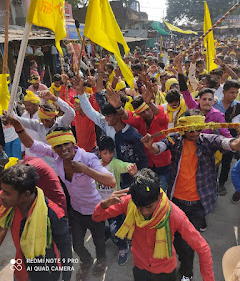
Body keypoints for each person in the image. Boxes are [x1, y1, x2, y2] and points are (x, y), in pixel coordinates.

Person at [7, 115, 115, 279]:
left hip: (95, 210)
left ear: (73, 143)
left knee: (99, 242)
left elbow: (111, 181)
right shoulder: (57, 155)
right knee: (77, 245)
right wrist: (18, 126)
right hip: (76, 211)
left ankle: (101, 261)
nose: (63, 149)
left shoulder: (88, 158)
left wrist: (84, 169)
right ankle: (86, 261)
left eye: (66, 144)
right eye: (58, 146)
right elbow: (31, 144)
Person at [141, 109, 240, 281]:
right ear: (183, 128)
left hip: (197, 205)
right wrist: (151, 146)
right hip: (176, 203)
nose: (195, 133)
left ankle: (187, 273)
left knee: (188, 244)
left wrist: (237, 139)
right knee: (174, 240)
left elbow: (228, 143)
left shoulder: (209, 140)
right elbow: (159, 147)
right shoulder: (175, 139)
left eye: (198, 129)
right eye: (191, 129)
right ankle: (181, 264)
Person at [92, 168, 215, 281]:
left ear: (160, 196)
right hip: (140, 269)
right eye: (139, 207)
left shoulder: (175, 215)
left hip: (165, 273)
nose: (144, 212)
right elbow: (97, 217)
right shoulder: (129, 203)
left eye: (149, 206)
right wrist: (103, 205)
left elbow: (202, 248)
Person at [0, 163, 73, 281]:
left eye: (6, 193)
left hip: (46, 273)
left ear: (25, 195)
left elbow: (65, 249)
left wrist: (66, 277)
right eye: (2, 191)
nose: (2, 196)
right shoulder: (9, 203)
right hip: (21, 270)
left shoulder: (53, 214)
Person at [73, 76, 148, 188]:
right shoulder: (106, 124)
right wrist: (80, 93)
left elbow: (142, 160)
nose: (106, 119)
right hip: (112, 178)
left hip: (129, 181)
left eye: (109, 116)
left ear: (118, 115)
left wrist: (139, 179)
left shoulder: (133, 135)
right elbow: (90, 112)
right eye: (105, 116)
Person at [105, 84, 170, 191]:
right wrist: (118, 107)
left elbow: (159, 112)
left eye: (148, 110)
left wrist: (149, 102)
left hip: (163, 164)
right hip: (148, 165)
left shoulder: (162, 119)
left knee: (161, 193)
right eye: (143, 112)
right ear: (139, 114)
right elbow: (126, 117)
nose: (147, 113)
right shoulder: (139, 122)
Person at [98, 136, 137, 265]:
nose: (108, 155)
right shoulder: (95, 165)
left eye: (111, 152)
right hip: (102, 204)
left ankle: (122, 247)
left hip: (115, 205)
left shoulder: (114, 163)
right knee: (100, 225)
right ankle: (107, 233)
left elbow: (123, 165)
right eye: (105, 153)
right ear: (99, 152)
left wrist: (130, 168)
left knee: (117, 230)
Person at [214, 79, 240, 196]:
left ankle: (222, 183)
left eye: (236, 93)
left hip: (231, 140)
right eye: (231, 92)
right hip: (213, 138)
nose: (234, 95)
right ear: (224, 92)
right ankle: (211, 183)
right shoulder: (214, 104)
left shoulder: (238, 106)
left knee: (226, 162)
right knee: (212, 163)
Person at [21, 90, 41, 157]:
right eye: (25, 105)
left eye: (29, 105)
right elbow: (23, 134)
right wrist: (22, 150)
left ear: (36, 104)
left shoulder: (42, 116)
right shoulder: (24, 116)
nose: (26, 108)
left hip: (41, 151)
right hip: (28, 151)